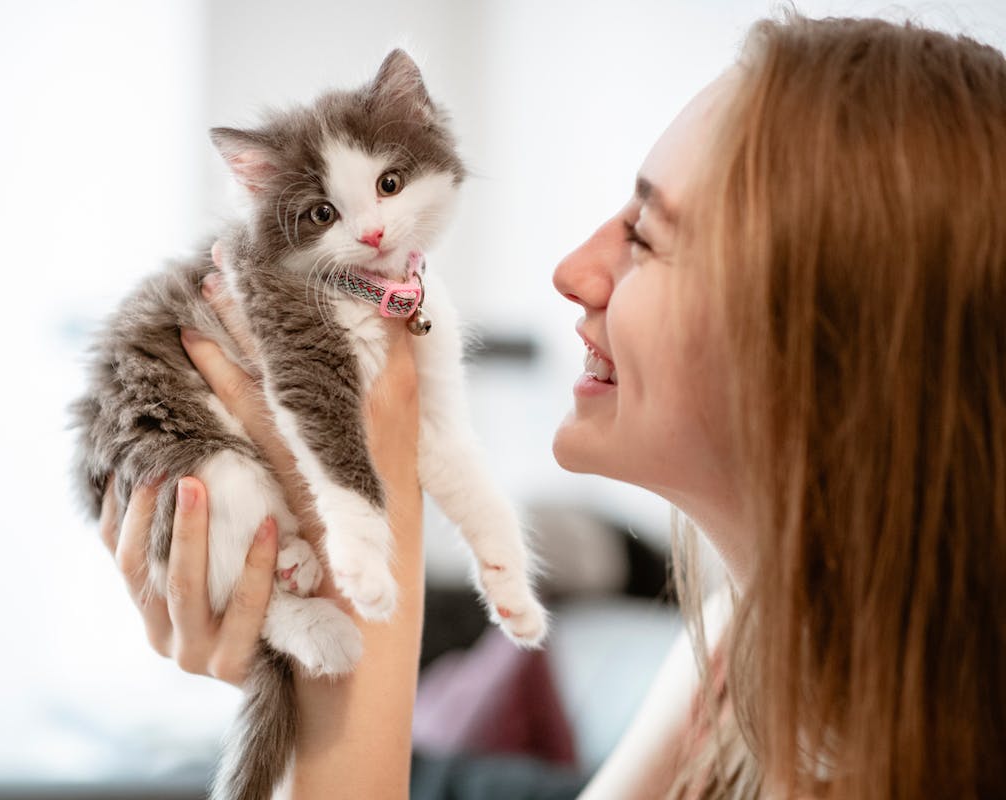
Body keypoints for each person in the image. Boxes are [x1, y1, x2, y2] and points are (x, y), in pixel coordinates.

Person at [97, 13, 1006, 799]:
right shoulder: (741, 654)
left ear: (833, 332)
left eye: (644, 235)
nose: (574, 270)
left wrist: (371, 558)